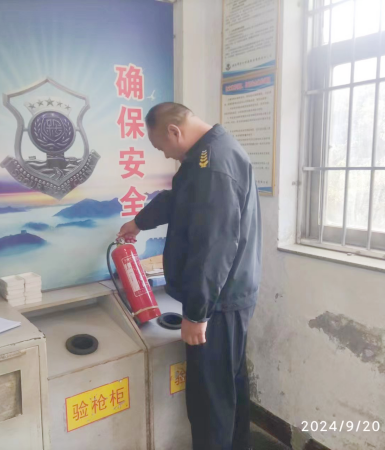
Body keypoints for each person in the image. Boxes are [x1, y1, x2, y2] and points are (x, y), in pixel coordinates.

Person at [118, 102, 262, 450]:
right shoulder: (205, 156)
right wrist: (139, 222)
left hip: (217, 302)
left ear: (174, 131)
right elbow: (179, 199)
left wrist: (197, 313)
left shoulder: (213, 165)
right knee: (227, 388)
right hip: (226, 296)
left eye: (162, 147)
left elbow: (214, 246)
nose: (165, 154)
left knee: (209, 399)